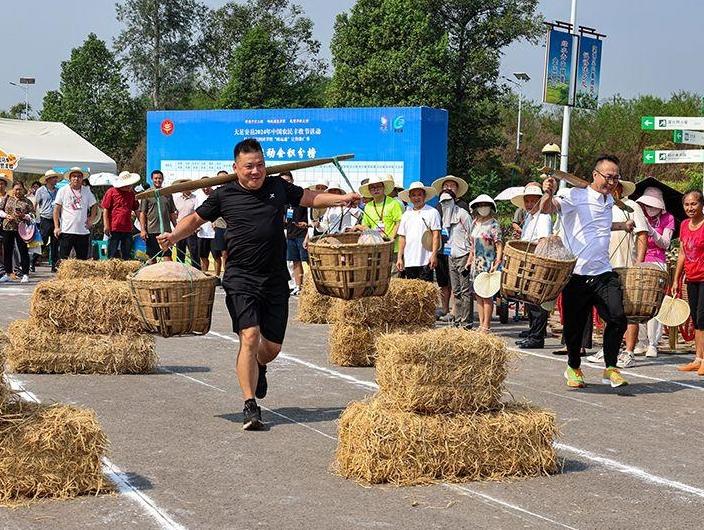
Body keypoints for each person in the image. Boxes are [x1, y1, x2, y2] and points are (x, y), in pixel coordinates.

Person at [157, 138, 361, 431]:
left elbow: (309, 198)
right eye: (249, 166)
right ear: (236, 167)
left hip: (275, 278)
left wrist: (342, 199)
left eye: (260, 165)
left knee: (272, 348)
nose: (256, 171)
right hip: (241, 277)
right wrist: (174, 237)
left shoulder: (277, 187)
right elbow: (194, 219)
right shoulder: (224, 194)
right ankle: (250, 405)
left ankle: (260, 365)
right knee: (250, 336)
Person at [540, 154, 634, 388]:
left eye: (615, 178)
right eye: (608, 177)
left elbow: (599, 225)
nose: (611, 182)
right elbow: (546, 210)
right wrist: (548, 193)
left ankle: (610, 367)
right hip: (577, 275)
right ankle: (573, 367)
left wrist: (622, 225)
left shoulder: (609, 200)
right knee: (574, 327)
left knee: (618, 317)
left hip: (603, 272)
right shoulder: (574, 195)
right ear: (595, 174)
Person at [585, 179, 648, 369]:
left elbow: (642, 234)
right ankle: (608, 348)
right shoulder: (601, 207)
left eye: (615, 185)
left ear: (620, 188)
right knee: (609, 310)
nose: (611, 188)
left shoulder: (631, 206)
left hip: (626, 264)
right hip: (603, 265)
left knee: (629, 310)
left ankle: (629, 351)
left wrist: (638, 263)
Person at [635, 187, 675, 358]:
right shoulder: (639, 215)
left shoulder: (668, 218)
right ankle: (641, 341)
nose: (649, 208)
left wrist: (651, 231)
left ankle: (653, 343)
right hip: (639, 261)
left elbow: (666, 243)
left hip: (657, 263)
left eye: (653, 205)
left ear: (661, 206)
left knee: (654, 305)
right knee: (638, 304)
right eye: (646, 205)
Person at [513, 183, 553, 348]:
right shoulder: (529, 218)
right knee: (529, 300)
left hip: (537, 262)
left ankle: (537, 336)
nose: (529, 204)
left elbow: (543, 242)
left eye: (532, 201)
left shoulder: (544, 218)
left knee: (537, 301)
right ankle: (533, 331)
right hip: (528, 261)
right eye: (527, 201)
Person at [673, 190, 704, 375]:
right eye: (687, 204)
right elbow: (682, 253)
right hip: (691, 277)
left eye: (694, 204)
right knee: (696, 319)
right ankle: (698, 358)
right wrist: (676, 278)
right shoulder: (684, 225)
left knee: (703, 319)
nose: (690, 208)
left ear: (701, 205)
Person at [431, 175, 470, 321]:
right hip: (442, 249)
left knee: (457, 283)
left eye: (452, 185)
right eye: (446, 185)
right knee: (442, 281)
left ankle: (455, 311)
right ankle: (444, 308)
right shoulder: (438, 207)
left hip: (458, 250)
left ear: (457, 189)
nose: (448, 187)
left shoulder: (463, 207)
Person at [467, 194, 503, 333]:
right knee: (478, 294)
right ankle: (481, 324)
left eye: (486, 205)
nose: (483, 208)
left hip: (489, 262)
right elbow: (472, 245)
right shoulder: (475, 223)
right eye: (480, 205)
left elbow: (499, 245)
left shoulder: (494, 224)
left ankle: (487, 325)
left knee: (487, 295)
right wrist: (470, 259)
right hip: (476, 264)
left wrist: (497, 261)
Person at [355, 175, 404, 273]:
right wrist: (358, 227)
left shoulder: (393, 203)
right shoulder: (368, 206)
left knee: (392, 275)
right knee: (376, 275)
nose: (375, 189)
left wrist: (391, 239)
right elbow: (367, 226)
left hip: (392, 248)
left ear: (384, 188)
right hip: (375, 247)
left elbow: (399, 223)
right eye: (372, 187)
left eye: (378, 187)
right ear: (369, 191)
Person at [396, 181, 440, 281]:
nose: (417, 198)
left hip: (426, 259)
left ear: (424, 196)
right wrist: (400, 257)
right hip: (409, 259)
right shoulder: (406, 214)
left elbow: (436, 235)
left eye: (419, 195)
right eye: (413, 195)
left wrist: (434, 255)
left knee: (426, 291)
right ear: (410, 198)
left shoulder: (432, 212)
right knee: (412, 291)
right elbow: (402, 237)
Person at [53, 167, 98, 261]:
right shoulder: (63, 190)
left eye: (79, 176)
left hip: (83, 231)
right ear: (70, 178)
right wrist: (57, 227)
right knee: (63, 259)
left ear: (82, 178)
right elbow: (56, 209)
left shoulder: (86, 190)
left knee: (82, 260)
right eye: (74, 176)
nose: (76, 179)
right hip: (67, 230)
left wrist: (91, 220)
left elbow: (94, 205)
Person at [280, 171, 309, 295]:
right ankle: (298, 286)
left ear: (292, 181)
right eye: (282, 181)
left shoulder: (301, 197)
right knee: (295, 261)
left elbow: (309, 218)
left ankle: (313, 287)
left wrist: (306, 226)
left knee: (308, 261)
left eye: (287, 180)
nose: (285, 183)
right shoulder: (282, 201)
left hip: (302, 234)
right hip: (290, 235)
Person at [139, 170, 176, 263]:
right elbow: (142, 213)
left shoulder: (167, 194)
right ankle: (152, 277)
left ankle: (167, 276)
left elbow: (172, 213)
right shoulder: (146, 194)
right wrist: (143, 230)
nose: (158, 180)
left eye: (159, 178)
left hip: (165, 231)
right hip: (151, 230)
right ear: (152, 179)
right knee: (152, 257)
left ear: (162, 179)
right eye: (155, 178)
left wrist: (176, 226)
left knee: (167, 256)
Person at [102, 171, 140, 260]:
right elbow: (105, 209)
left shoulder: (131, 194)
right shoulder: (111, 192)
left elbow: (136, 209)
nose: (129, 186)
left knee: (127, 251)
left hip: (127, 227)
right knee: (112, 251)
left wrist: (143, 226)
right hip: (114, 227)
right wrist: (106, 225)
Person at [0, 181, 34, 283]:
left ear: (23, 189)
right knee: (7, 251)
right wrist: (6, 216)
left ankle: (25, 274)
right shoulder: (7, 199)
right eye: (16, 189)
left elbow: (33, 215)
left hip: (22, 229)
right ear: (12, 189)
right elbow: (0, 210)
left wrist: (24, 216)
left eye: (20, 189)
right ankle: (7, 273)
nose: (18, 191)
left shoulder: (27, 201)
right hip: (7, 228)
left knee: (23, 251)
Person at [35, 170, 60, 272]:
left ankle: (54, 265)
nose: (55, 180)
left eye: (56, 177)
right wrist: (34, 217)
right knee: (43, 241)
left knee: (55, 243)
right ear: (48, 180)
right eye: (53, 178)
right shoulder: (40, 190)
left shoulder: (58, 191)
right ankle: (33, 260)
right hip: (45, 219)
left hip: (56, 220)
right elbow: (35, 204)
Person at [172, 179, 200, 268]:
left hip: (191, 229)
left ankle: (197, 273)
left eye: (186, 186)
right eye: (182, 187)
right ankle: (181, 273)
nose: (184, 188)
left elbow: (199, 213)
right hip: (179, 229)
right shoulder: (177, 200)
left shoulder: (195, 199)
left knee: (194, 252)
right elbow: (175, 214)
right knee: (180, 252)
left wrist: (197, 227)